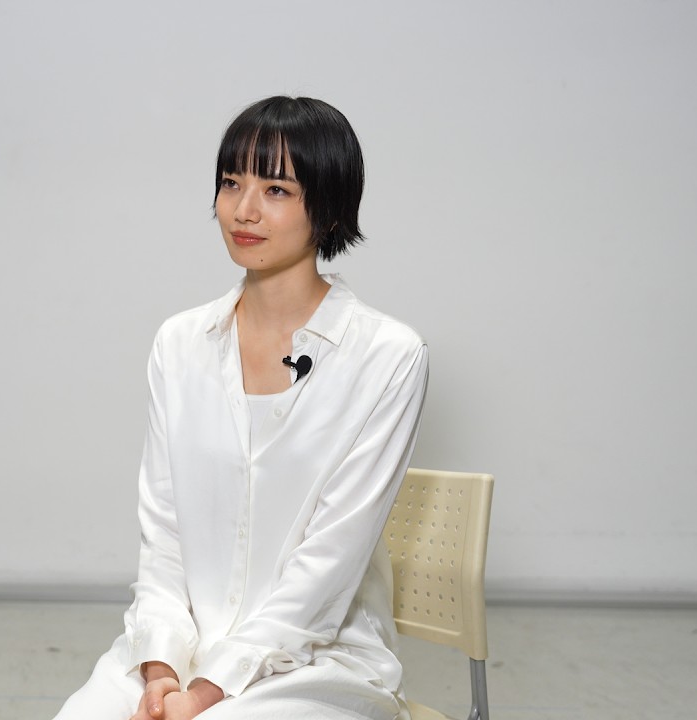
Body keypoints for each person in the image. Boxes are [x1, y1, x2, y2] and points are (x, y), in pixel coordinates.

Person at [53, 96, 429, 720]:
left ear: (329, 208)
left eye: (276, 189)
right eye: (232, 183)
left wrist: (204, 696)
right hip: (180, 649)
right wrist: (161, 673)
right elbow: (164, 536)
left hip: (316, 662)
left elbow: (327, 569)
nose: (243, 210)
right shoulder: (180, 343)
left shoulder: (387, 357)